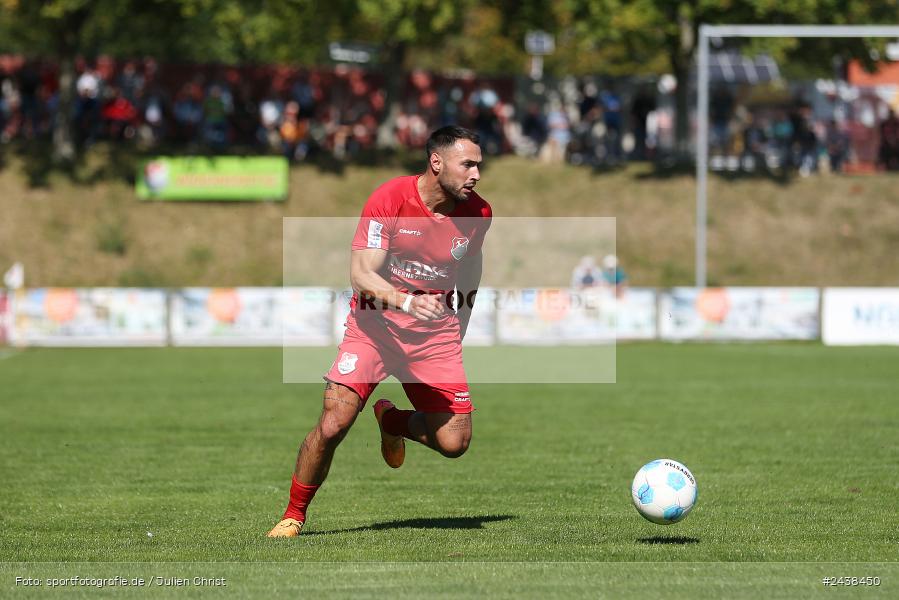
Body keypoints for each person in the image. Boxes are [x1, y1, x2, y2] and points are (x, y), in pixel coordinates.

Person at [268, 126, 492, 537]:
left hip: (433, 336)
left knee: (454, 442)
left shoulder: (479, 213)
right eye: (468, 164)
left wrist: (464, 315)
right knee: (335, 422)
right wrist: (406, 301)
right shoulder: (390, 199)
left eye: (479, 164)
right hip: (374, 329)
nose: (476, 173)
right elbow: (361, 275)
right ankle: (294, 514)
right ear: (436, 162)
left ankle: (393, 422)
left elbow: (472, 265)